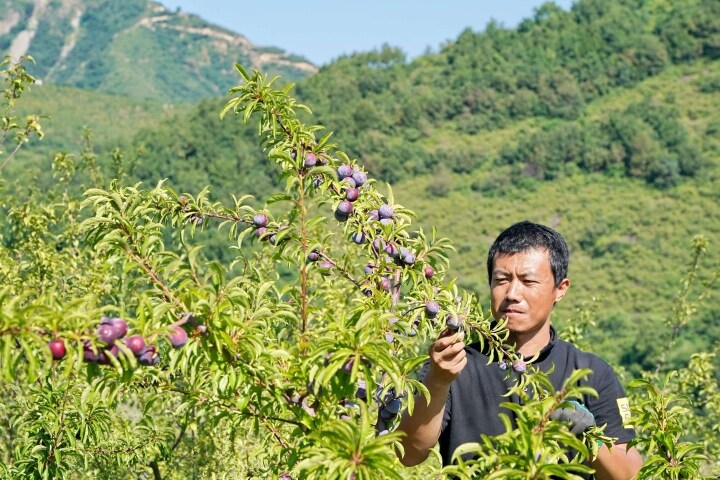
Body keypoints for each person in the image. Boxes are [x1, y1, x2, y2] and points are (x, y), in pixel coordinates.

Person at [397, 221, 643, 479]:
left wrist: (586, 432)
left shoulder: (592, 373)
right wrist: (437, 382)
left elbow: (629, 474)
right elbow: (408, 453)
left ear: (560, 289)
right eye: (501, 280)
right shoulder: (453, 364)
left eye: (529, 281)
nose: (512, 293)